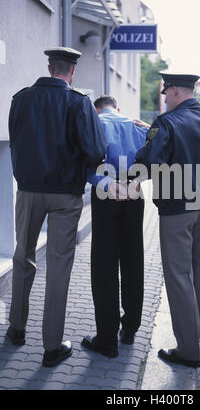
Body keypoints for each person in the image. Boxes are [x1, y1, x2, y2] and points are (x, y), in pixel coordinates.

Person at [7, 47, 107, 367]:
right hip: (66, 194)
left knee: (23, 257)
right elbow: (95, 150)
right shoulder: (79, 102)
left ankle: (16, 329)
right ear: (72, 71)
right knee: (59, 267)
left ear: (49, 67)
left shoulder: (20, 99)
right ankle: (52, 346)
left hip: (28, 190)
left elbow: (15, 140)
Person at [135, 71, 200, 368]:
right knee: (197, 274)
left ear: (176, 92)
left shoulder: (166, 122)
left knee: (178, 277)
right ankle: (193, 338)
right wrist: (154, 130)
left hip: (177, 209)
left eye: (165, 92)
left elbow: (149, 160)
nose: (164, 97)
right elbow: (187, 146)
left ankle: (189, 352)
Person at [81, 95, 149, 358]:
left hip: (107, 194)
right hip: (133, 193)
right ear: (117, 108)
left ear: (97, 110)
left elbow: (87, 165)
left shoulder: (94, 124)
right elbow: (153, 159)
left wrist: (108, 185)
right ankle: (130, 329)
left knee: (104, 267)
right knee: (134, 260)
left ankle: (107, 339)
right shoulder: (135, 126)